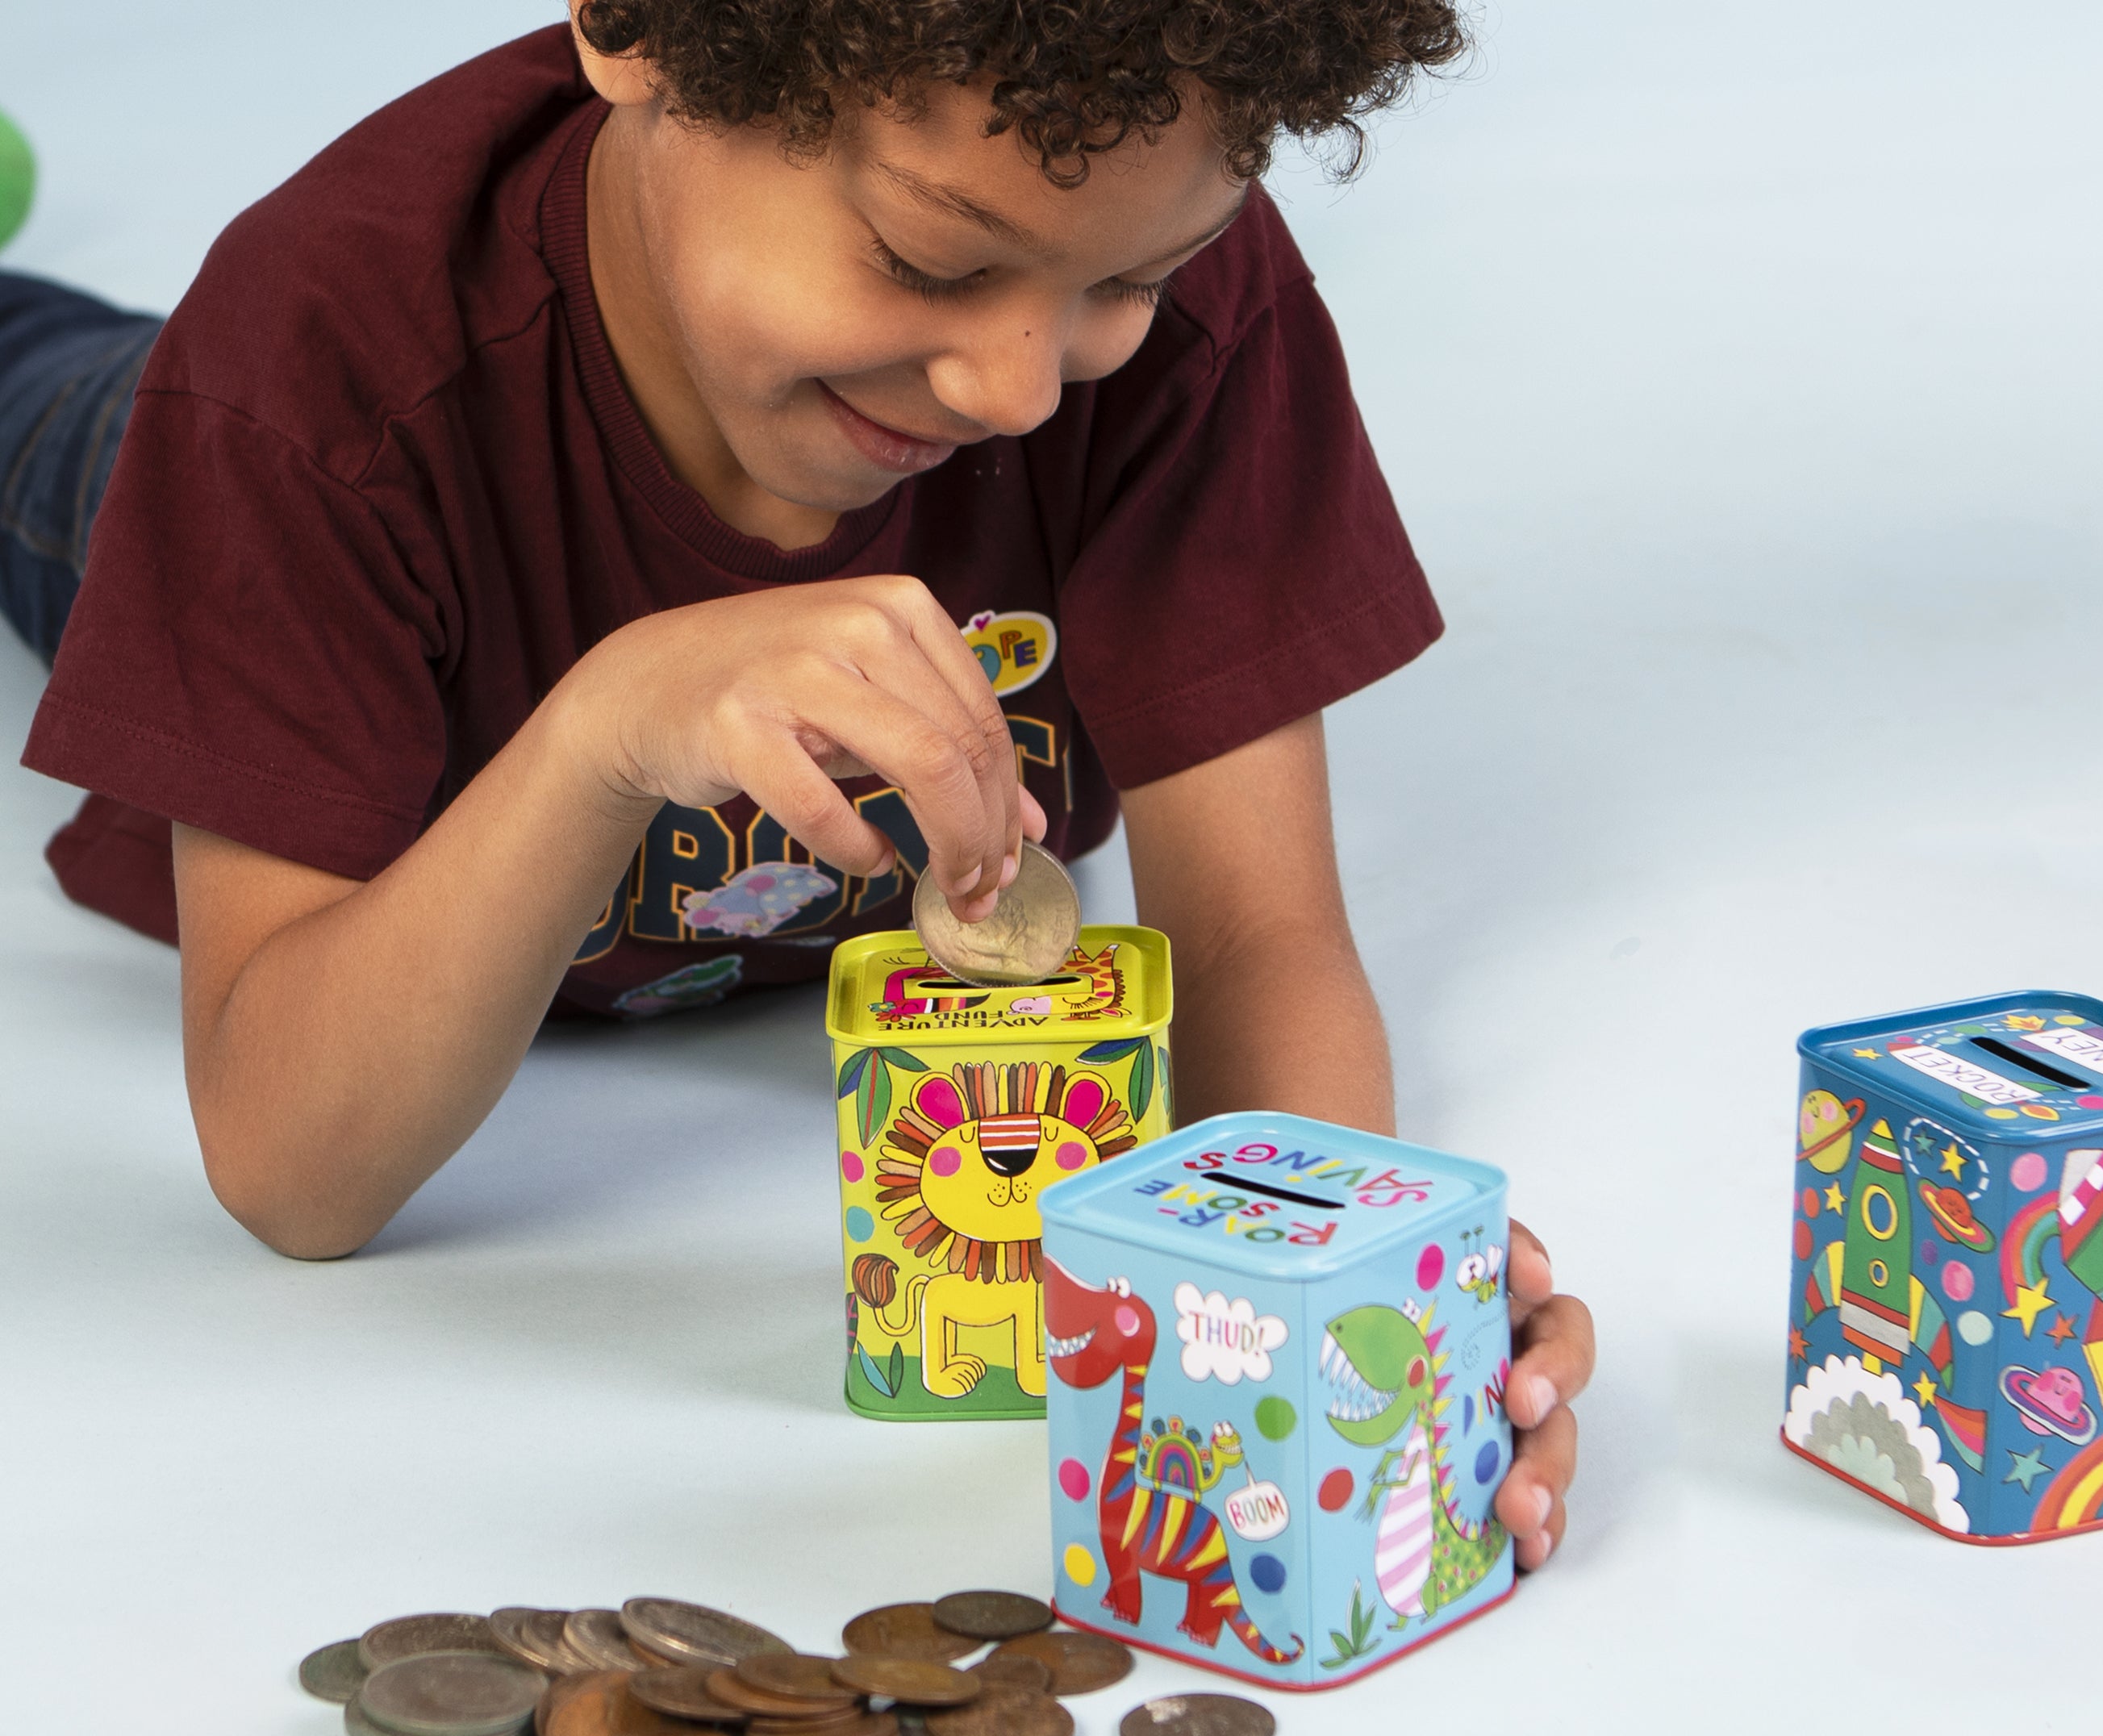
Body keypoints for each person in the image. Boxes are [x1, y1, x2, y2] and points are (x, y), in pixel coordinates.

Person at [2, 5, 1593, 1569]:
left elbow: (1255, 938)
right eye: (929, 260)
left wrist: (1352, 1298)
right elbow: (298, 1171)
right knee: (46, 394)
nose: (1017, 389)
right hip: (189, 459)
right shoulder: (305, 381)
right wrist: (603, 726)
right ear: (640, 32)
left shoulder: (1166, 280)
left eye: (1122, 283)